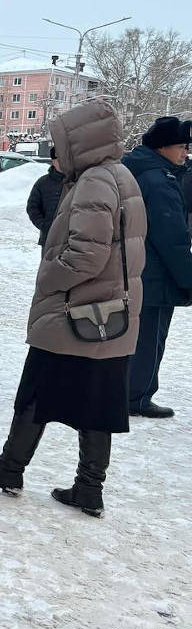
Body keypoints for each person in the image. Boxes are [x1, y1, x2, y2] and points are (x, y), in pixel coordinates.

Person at [0, 100, 146, 518]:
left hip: (74, 314)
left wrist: (48, 278)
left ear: (80, 145)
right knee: (97, 404)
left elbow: (85, 257)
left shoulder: (94, 182)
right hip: (108, 317)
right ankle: (88, 488)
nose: (53, 153)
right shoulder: (118, 175)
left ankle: (12, 469)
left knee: (35, 393)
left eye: (59, 144)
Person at [122, 116, 192, 417]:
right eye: (182, 147)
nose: (185, 153)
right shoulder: (159, 180)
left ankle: (123, 391)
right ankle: (136, 398)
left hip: (133, 266)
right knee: (150, 339)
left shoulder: (134, 170)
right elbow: (172, 238)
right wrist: (187, 278)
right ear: (163, 147)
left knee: (131, 335)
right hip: (155, 274)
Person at [26, 146, 65, 250]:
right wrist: (44, 225)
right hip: (48, 239)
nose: (61, 162)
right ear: (53, 160)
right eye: (58, 159)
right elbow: (32, 207)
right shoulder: (42, 183)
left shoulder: (75, 182)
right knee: (48, 265)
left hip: (71, 239)